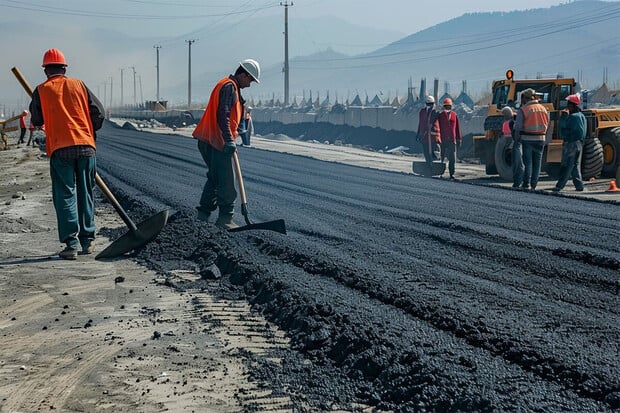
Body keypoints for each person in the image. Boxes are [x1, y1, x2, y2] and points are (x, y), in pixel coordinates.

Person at [29, 48, 105, 259]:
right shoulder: (79, 85)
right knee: (86, 193)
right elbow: (100, 113)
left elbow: (36, 121)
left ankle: (71, 244)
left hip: (60, 149)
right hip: (86, 147)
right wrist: (89, 131)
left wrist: (44, 117)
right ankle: (88, 241)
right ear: (64, 68)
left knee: (65, 195)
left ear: (46, 71)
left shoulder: (41, 90)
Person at [192, 59, 260, 229]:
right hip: (217, 141)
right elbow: (223, 114)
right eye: (250, 80)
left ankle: (202, 215)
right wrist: (229, 140)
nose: (250, 84)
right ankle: (225, 219)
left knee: (215, 178)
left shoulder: (229, 85)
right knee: (226, 181)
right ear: (243, 74)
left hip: (209, 140)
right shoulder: (229, 87)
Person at [513, 88, 548, 190]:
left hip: (527, 139)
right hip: (541, 139)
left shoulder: (524, 110)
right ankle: (534, 184)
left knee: (528, 163)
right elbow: (547, 123)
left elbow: (518, 126)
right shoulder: (543, 109)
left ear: (524, 98)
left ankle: (526, 183)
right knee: (537, 164)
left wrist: (516, 138)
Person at [553, 94, 586, 192]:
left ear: (573, 105)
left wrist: (563, 117)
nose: (567, 107)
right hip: (579, 143)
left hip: (571, 143)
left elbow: (563, 127)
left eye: (568, 105)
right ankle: (579, 185)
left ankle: (560, 185)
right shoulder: (582, 116)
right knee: (575, 165)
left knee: (568, 165)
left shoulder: (573, 117)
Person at [436, 97, 462, 179]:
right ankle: (440, 173)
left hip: (452, 140)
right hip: (443, 140)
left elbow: (457, 128)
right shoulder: (440, 116)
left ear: (451, 107)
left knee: (452, 158)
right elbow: (437, 127)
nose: (448, 108)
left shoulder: (454, 115)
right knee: (442, 157)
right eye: (446, 106)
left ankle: (452, 173)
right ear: (443, 107)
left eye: (449, 106)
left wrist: (459, 138)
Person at [416, 95, 441, 176]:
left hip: (433, 137)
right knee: (426, 153)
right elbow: (420, 123)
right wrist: (418, 134)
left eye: (431, 104)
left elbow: (437, 122)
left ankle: (433, 167)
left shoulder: (435, 112)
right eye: (428, 104)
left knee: (434, 153)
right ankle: (428, 167)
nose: (429, 105)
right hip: (424, 137)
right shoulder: (422, 112)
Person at [502, 105, 523, 188]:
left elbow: (514, 136)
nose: (503, 117)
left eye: (504, 115)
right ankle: (519, 182)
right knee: (519, 163)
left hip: (517, 144)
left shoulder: (512, 122)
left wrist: (511, 147)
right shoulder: (514, 118)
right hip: (520, 142)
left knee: (518, 163)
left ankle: (518, 182)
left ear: (507, 114)